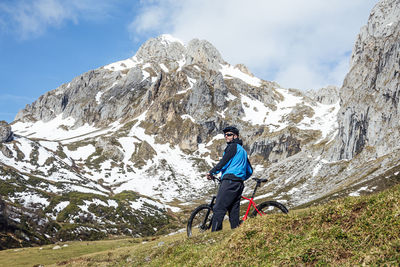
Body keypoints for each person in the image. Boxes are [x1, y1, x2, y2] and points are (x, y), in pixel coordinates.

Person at [206, 126, 253, 231]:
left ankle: (216, 236)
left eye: (229, 134)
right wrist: (240, 177)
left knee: (218, 208)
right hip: (239, 183)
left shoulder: (233, 147)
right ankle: (235, 234)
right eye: (225, 135)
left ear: (235, 136)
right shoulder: (243, 151)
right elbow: (250, 170)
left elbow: (224, 161)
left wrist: (212, 172)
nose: (226, 136)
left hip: (229, 181)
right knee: (233, 211)